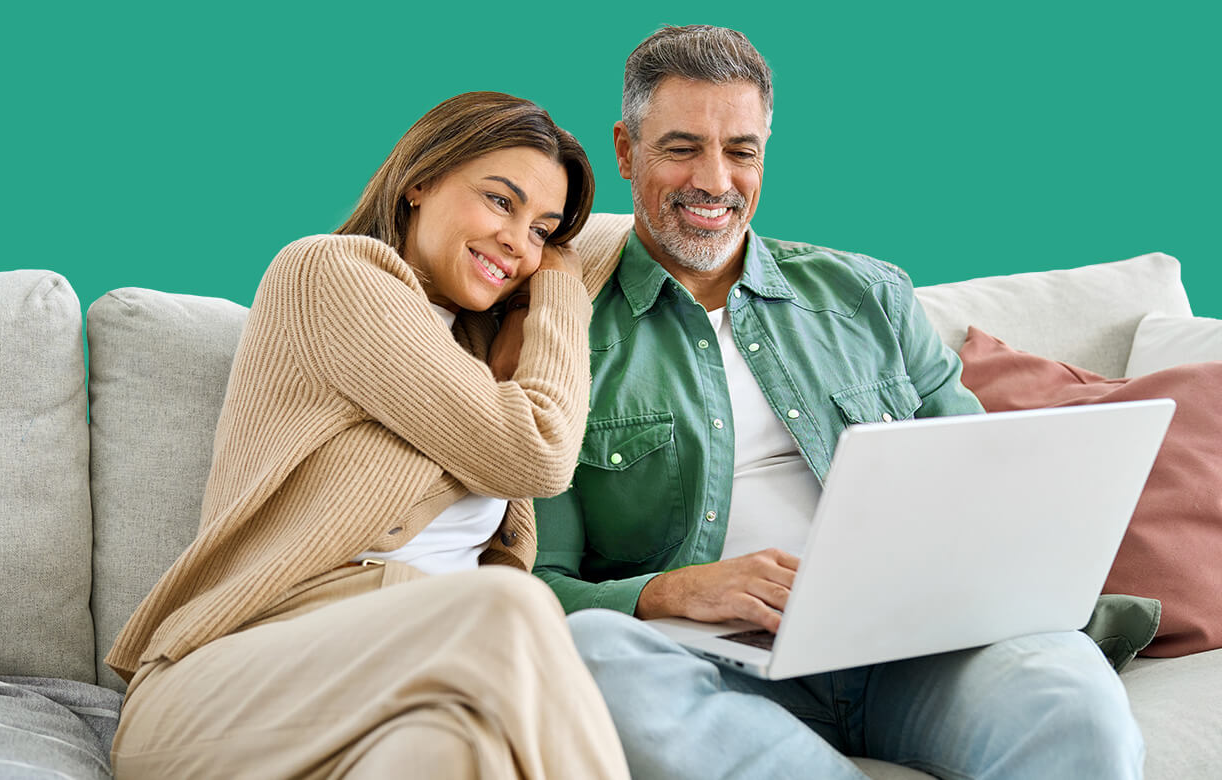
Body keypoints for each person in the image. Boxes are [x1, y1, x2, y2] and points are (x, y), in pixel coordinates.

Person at [532, 26, 1145, 780]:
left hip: (915, 653)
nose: (714, 181)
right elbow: (535, 588)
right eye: (682, 148)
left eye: (741, 151)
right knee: (591, 655)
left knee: (1070, 696)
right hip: (712, 665)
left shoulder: (868, 294)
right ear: (626, 151)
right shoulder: (559, 331)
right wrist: (675, 592)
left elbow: (986, 488)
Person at [105, 91, 629, 779]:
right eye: (501, 202)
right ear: (421, 181)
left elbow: (647, 228)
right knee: (509, 607)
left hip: (396, 700)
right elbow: (536, 452)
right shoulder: (332, 274)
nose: (518, 242)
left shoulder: (474, 355)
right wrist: (559, 291)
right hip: (224, 691)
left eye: (542, 231)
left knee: (458, 752)